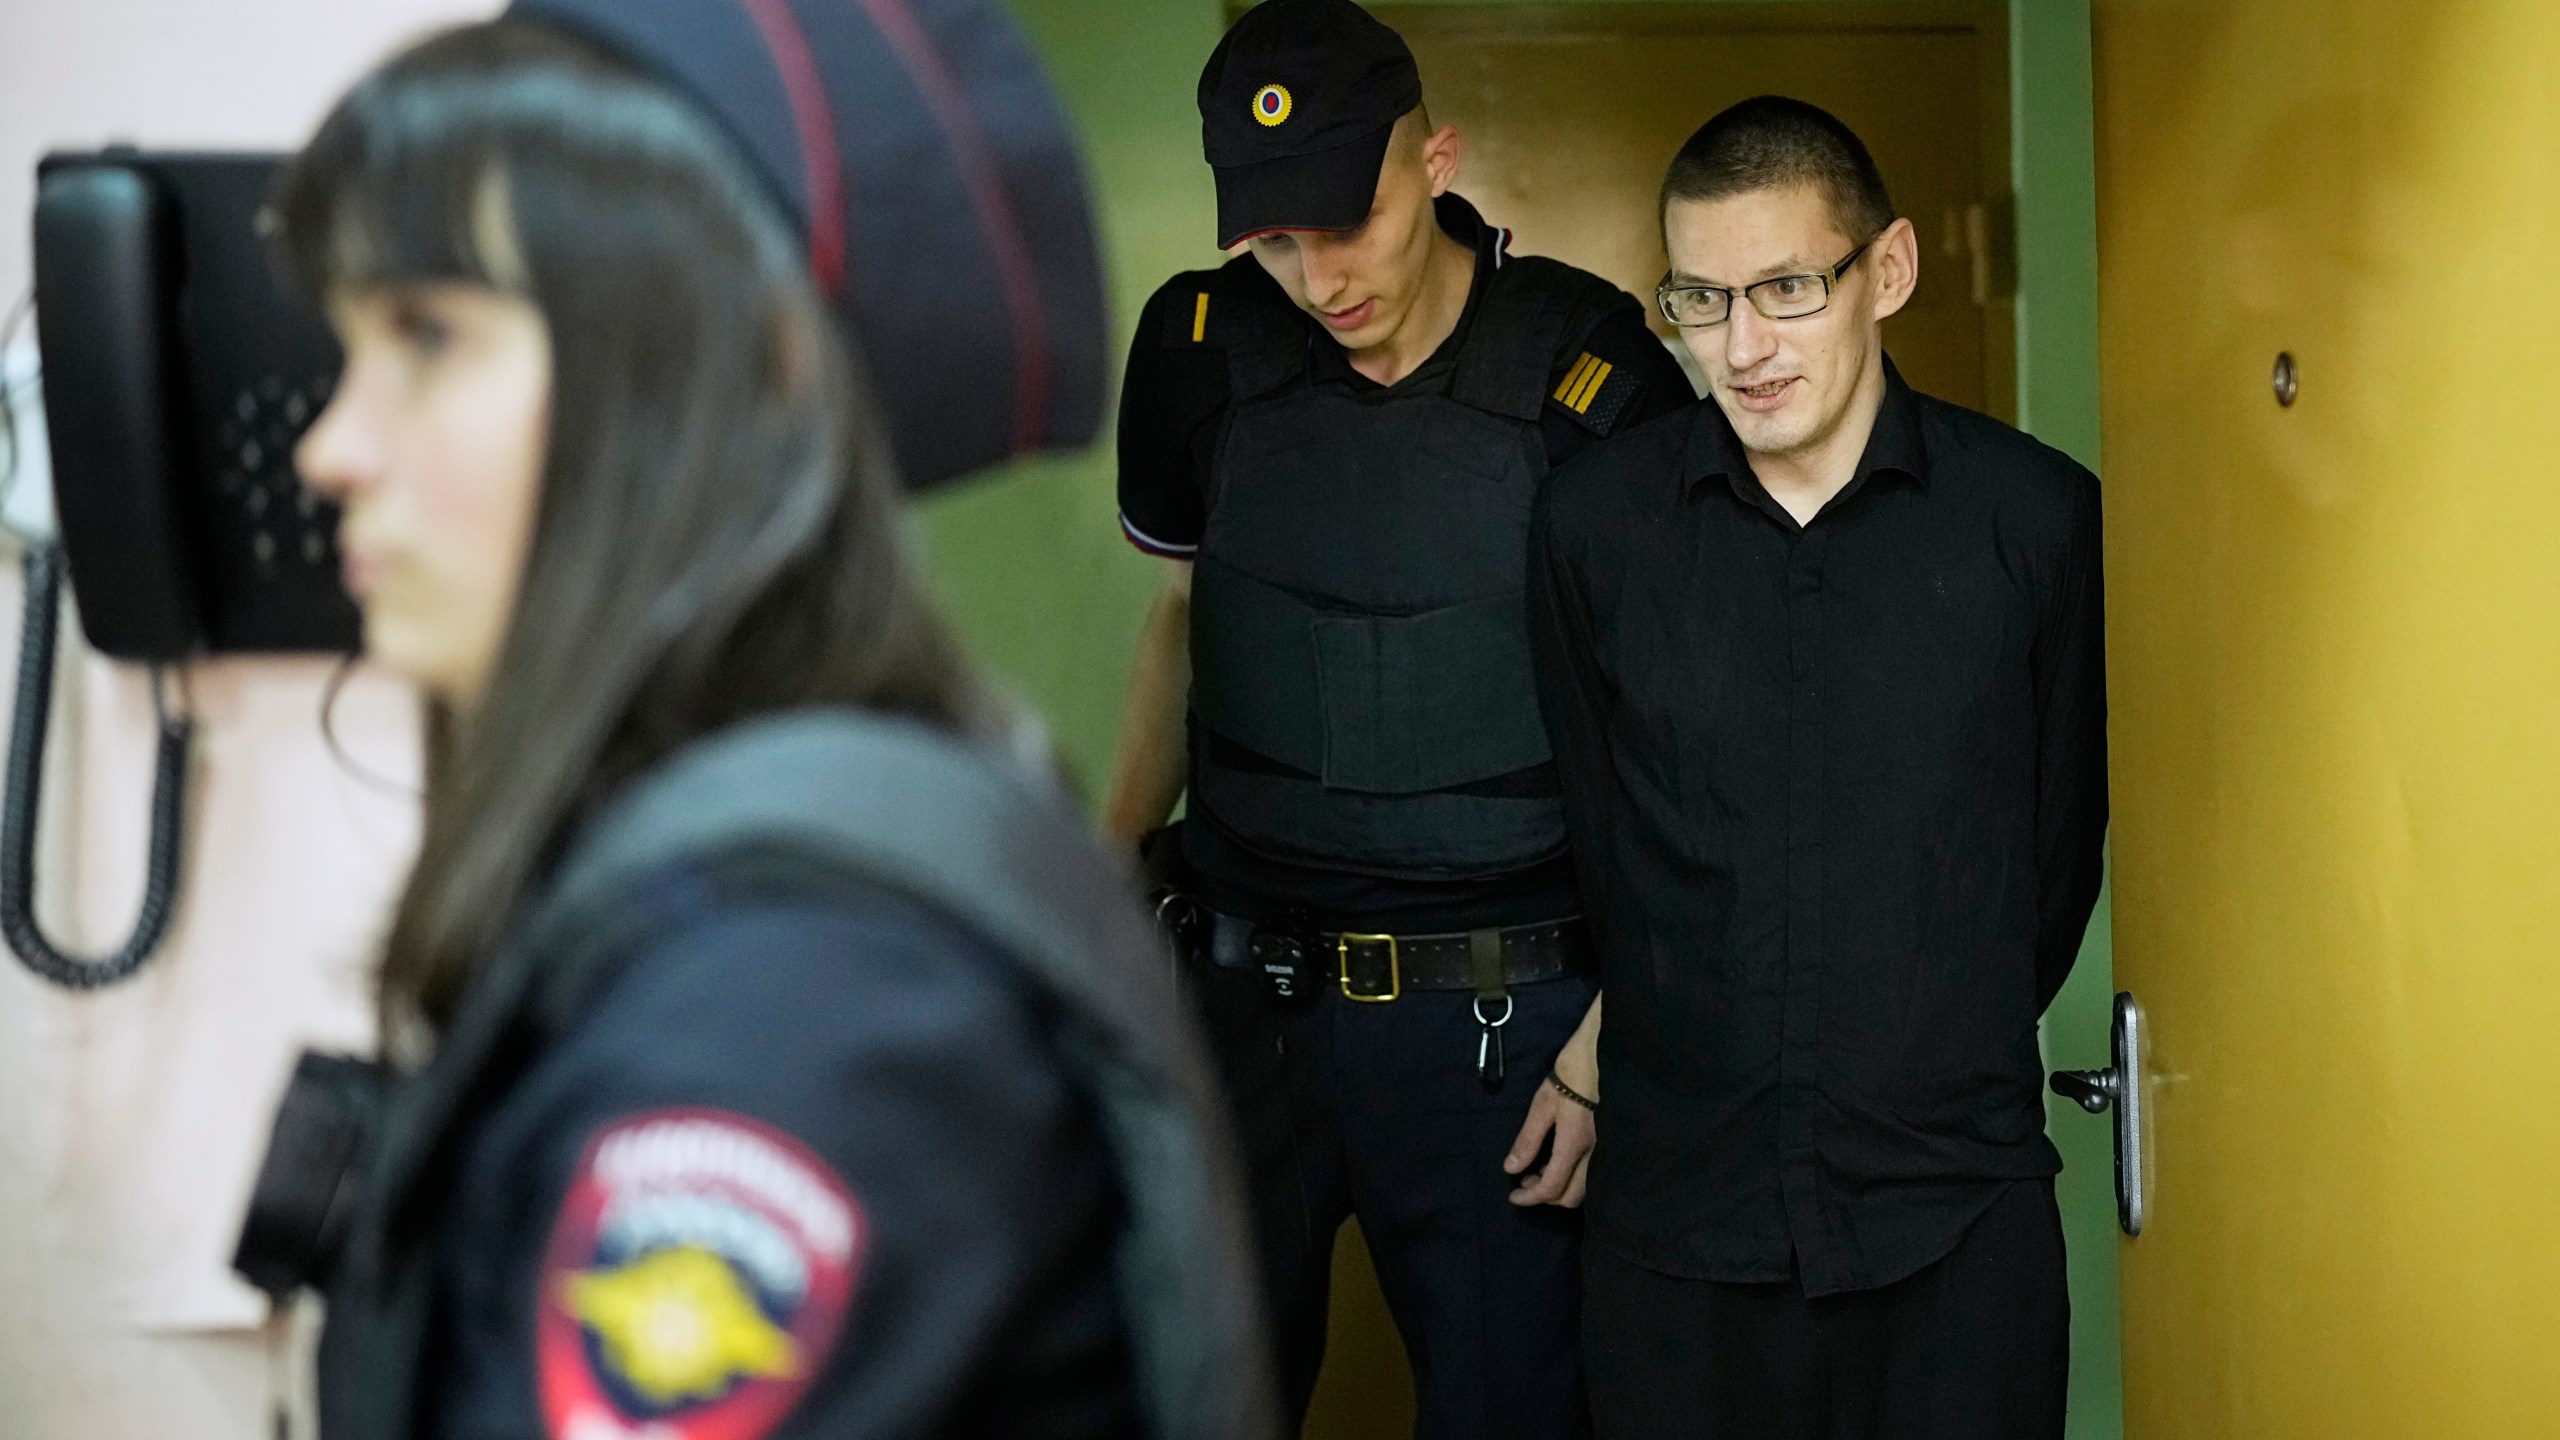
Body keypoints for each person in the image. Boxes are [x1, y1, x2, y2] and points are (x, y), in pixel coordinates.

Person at [251, 6, 1271, 1438]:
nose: (330, 445)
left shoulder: (786, 1000)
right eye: (346, 344)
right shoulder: (751, 892)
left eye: (428, 334)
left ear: (741, 373)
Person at [1100, 2, 1694, 1433]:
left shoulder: (1587, 374)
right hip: (1244, 1008)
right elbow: (1181, 629)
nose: (1320, 278)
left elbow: (1683, 727)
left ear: (1435, 157)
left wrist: (1614, 1040)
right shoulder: (1195, 352)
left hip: (1507, 1027)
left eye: (1347, 219)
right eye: (1276, 244)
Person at [1529, 96, 2107, 1439]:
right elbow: (1605, 844)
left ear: (1885, 272)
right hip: (1677, 1233)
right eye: (1701, 298)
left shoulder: (2040, 520)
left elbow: (2056, 855)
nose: (1744, 346)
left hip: (1952, 1225)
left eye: (1786, 287)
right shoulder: (1593, 527)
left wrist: (1918, 1033)